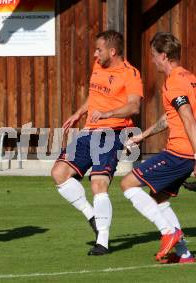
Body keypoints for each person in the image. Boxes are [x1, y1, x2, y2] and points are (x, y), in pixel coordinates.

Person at [50, 30, 143, 255]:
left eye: (98, 49)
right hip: (89, 131)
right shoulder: (99, 66)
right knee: (59, 173)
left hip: (113, 132)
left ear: (112, 51)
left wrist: (106, 114)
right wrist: (79, 113)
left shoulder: (130, 74)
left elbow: (134, 107)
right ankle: (92, 215)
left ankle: (102, 241)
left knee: (98, 183)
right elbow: (94, 95)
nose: (95, 54)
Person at [120, 32, 196, 262]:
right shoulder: (189, 77)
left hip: (180, 152)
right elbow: (170, 117)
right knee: (159, 197)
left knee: (128, 184)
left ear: (163, 56)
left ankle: (169, 232)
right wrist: (143, 135)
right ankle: (184, 254)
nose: (152, 60)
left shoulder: (173, 81)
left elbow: (188, 119)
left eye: (153, 55)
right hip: (186, 151)